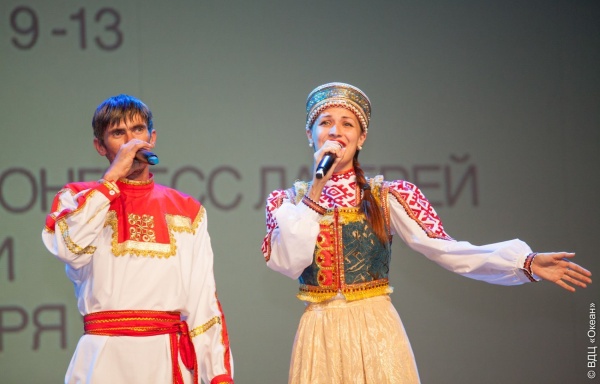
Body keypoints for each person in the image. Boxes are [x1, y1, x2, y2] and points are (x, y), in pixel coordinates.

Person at [260, 82, 592, 384]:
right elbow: (290, 262)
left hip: (375, 329)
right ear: (310, 134)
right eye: (325, 122)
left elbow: (445, 249)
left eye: (347, 124)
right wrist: (316, 188)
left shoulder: (388, 195)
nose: (336, 131)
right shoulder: (285, 203)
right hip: (320, 333)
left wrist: (523, 262)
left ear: (361, 138)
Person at [42, 94, 234, 384]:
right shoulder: (77, 198)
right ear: (100, 146)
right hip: (103, 360)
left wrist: (217, 374)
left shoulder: (187, 210)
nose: (130, 142)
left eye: (138, 130)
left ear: (151, 138)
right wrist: (110, 181)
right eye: (118, 133)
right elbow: (70, 249)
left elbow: (203, 300)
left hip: (166, 358)